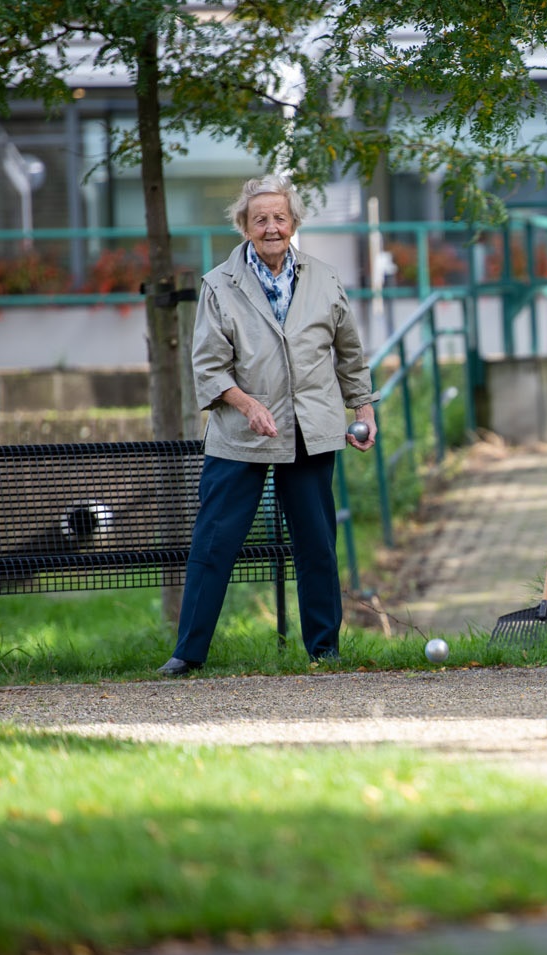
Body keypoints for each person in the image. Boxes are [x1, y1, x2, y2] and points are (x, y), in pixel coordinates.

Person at [158, 175, 377, 677]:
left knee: (317, 544)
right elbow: (209, 367)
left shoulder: (324, 279)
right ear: (244, 226)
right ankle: (188, 652)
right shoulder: (219, 285)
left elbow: (349, 354)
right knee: (215, 543)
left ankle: (325, 652)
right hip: (241, 435)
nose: (272, 227)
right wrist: (245, 403)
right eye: (261, 219)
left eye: (280, 218)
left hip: (309, 430)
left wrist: (363, 410)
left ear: (294, 222)